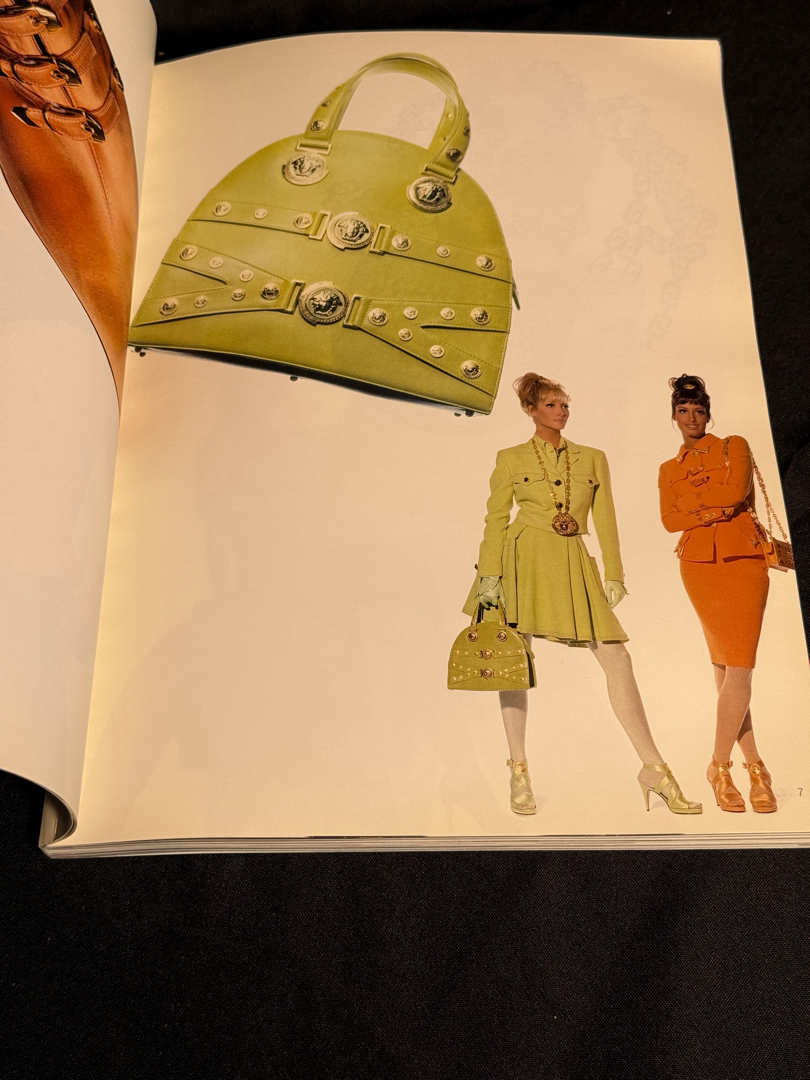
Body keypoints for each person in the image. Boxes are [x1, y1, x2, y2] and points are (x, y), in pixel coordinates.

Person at [464, 373, 701, 817]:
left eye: (564, 405)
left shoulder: (592, 457)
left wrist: (614, 573)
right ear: (530, 410)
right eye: (551, 405)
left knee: (617, 658)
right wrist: (489, 576)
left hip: (573, 559)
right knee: (515, 661)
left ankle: (654, 768)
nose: (561, 412)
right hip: (520, 559)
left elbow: (606, 516)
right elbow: (495, 519)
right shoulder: (510, 457)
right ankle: (519, 771)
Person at [658, 374, 777, 812]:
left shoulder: (734, 445)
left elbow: (735, 491)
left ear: (709, 415)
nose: (692, 418)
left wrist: (695, 506)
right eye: (683, 411)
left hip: (744, 561)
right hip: (697, 567)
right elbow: (669, 521)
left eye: (699, 411)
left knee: (740, 668)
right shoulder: (668, 468)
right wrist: (714, 509)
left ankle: (718, 766)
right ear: (674, 416)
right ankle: (757, 766)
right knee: (726, 669)